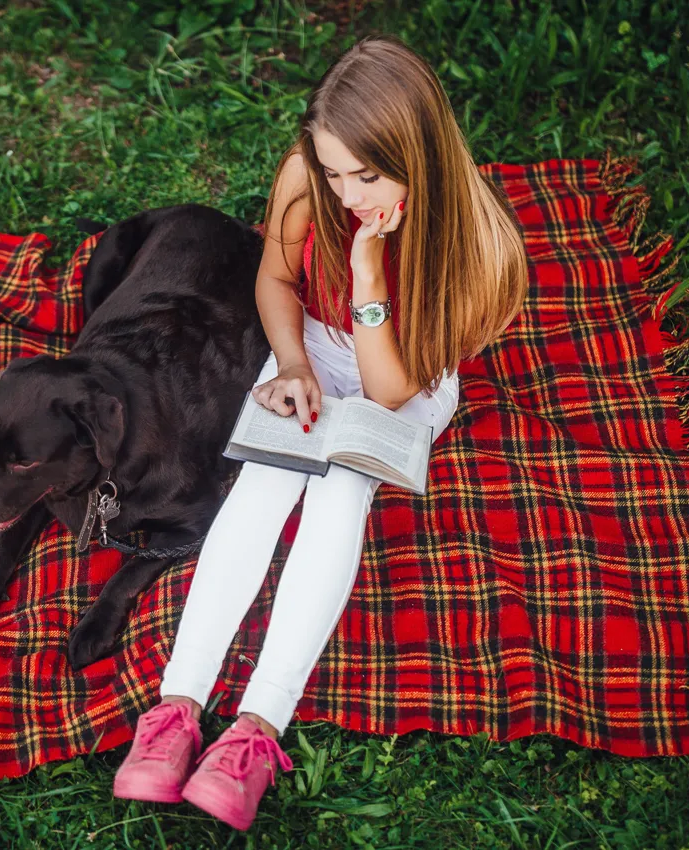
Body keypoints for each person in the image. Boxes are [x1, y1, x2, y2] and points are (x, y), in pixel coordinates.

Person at [111, 34, 528, 831]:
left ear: (417, 155)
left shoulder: (481, 248)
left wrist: (368, 271)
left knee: (340, 490)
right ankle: (175, 709)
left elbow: (389, 387)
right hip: (315, 346)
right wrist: (295, 363)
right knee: (267, 475)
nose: (345, 194)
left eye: (366, 176)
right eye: (333, 173)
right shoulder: (308, 176)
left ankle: (256, 729)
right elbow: (276, 275)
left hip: (404, 372)